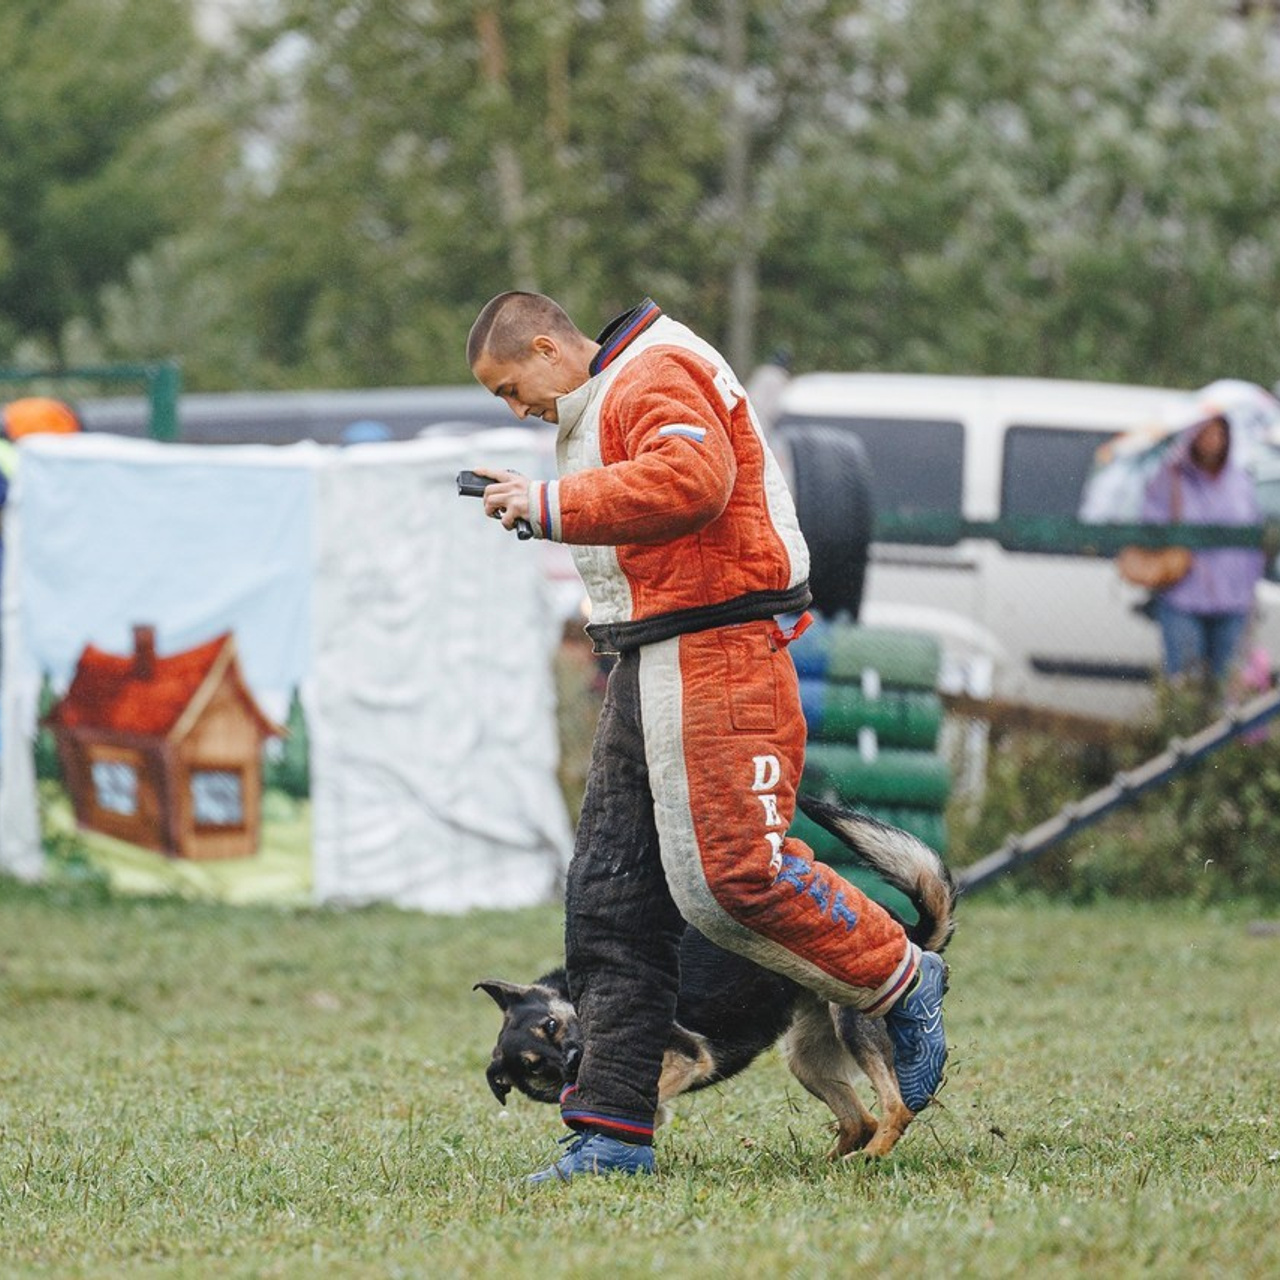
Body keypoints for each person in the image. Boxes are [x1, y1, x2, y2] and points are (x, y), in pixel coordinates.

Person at [464, 292, 949, 1183]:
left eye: (510, 386)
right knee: (608, 904)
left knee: (731, 877)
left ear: (545, 345)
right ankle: (612, 1133)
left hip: (719, 647)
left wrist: (550, 500)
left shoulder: (658, 371)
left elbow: (694, 483)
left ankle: (903, 977)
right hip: (644, 653)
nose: (516, 408)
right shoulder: (610, 387)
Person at [1141, 410, 1265, 692]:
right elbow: (1151, 525)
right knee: (1185, 684)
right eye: (1206, 433)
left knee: (1227, 686)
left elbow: (1253, 536)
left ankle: (1227, 737)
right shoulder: (1170, 477)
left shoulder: (1240, 481)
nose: (1212, 441)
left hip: (1233, 600)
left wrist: (1250, 586)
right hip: (1184, 596)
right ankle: (1185, 734)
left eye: (1218, 433)